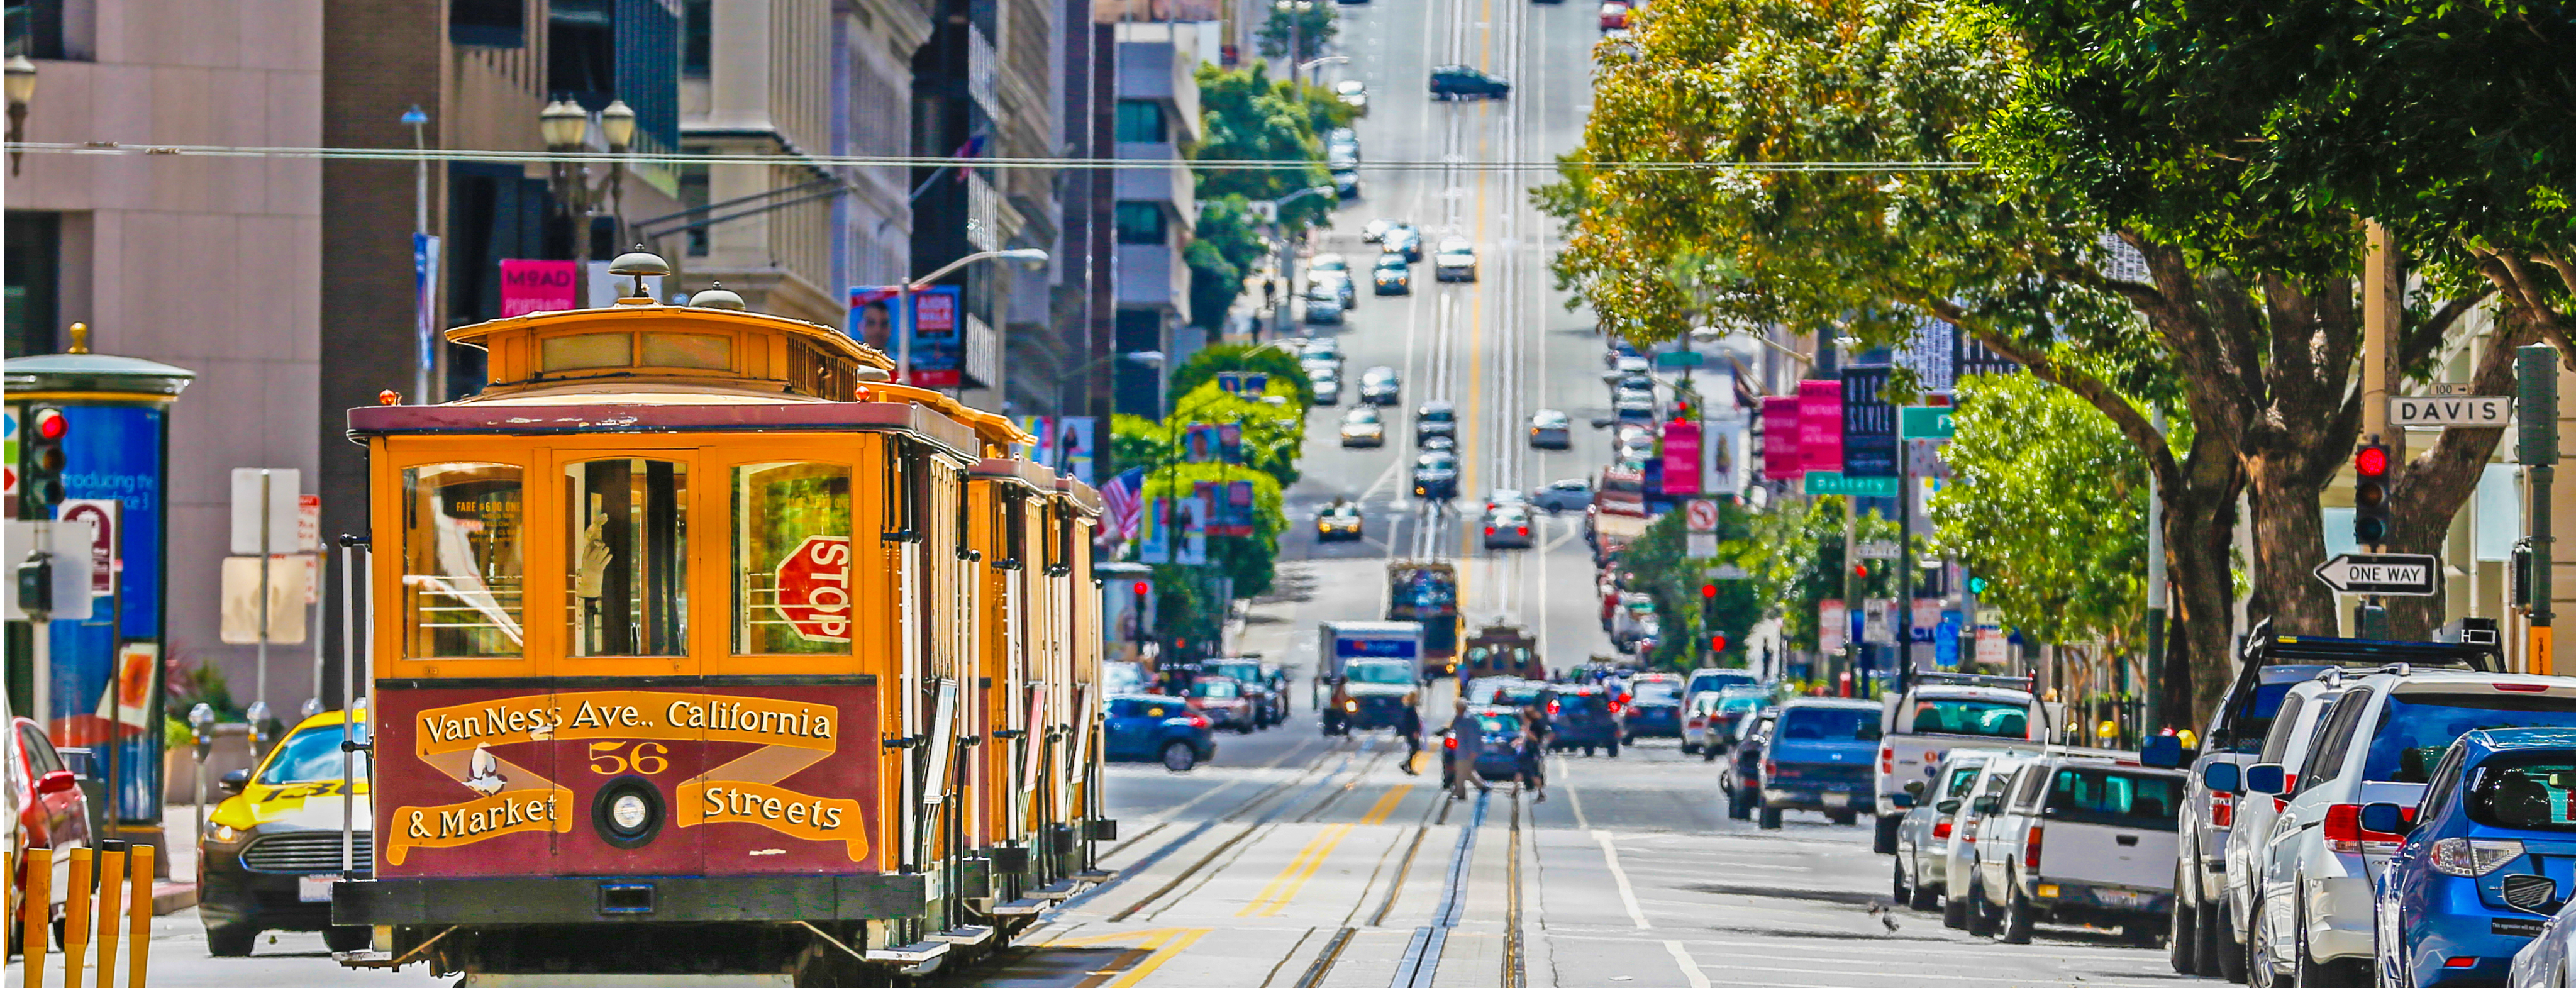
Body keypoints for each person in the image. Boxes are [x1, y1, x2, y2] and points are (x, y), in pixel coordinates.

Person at [1446, 699, 1485, 799]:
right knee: (1467, 771)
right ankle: (1482, 786)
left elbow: (1473, 736)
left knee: (1460, 772)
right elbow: (1453, 729)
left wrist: (1473, 751)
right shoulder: (1458, 718)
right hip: (1460, 750)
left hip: (1466, 751)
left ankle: (1460, 793)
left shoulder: (1468, 720)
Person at [1518, 712, 1549, 801]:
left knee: (1533, 774)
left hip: (1532, 753)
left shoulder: (1535, 727)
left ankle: (1541, 792)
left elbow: (1536, 739)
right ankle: (1515, 790)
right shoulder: (1530, 726)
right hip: (1527, 753)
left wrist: (1526, 732)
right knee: (1522, 772)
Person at [1396, 703, 1423, 775]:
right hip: (1412, 733)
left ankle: (1408, 764)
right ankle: (1407, 765)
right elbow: (1412, 722)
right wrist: (1415, 732)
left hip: (1412, 732)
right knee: (1415, 749)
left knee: (1415, 749)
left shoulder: (1411, 709)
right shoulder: (1411, 710)